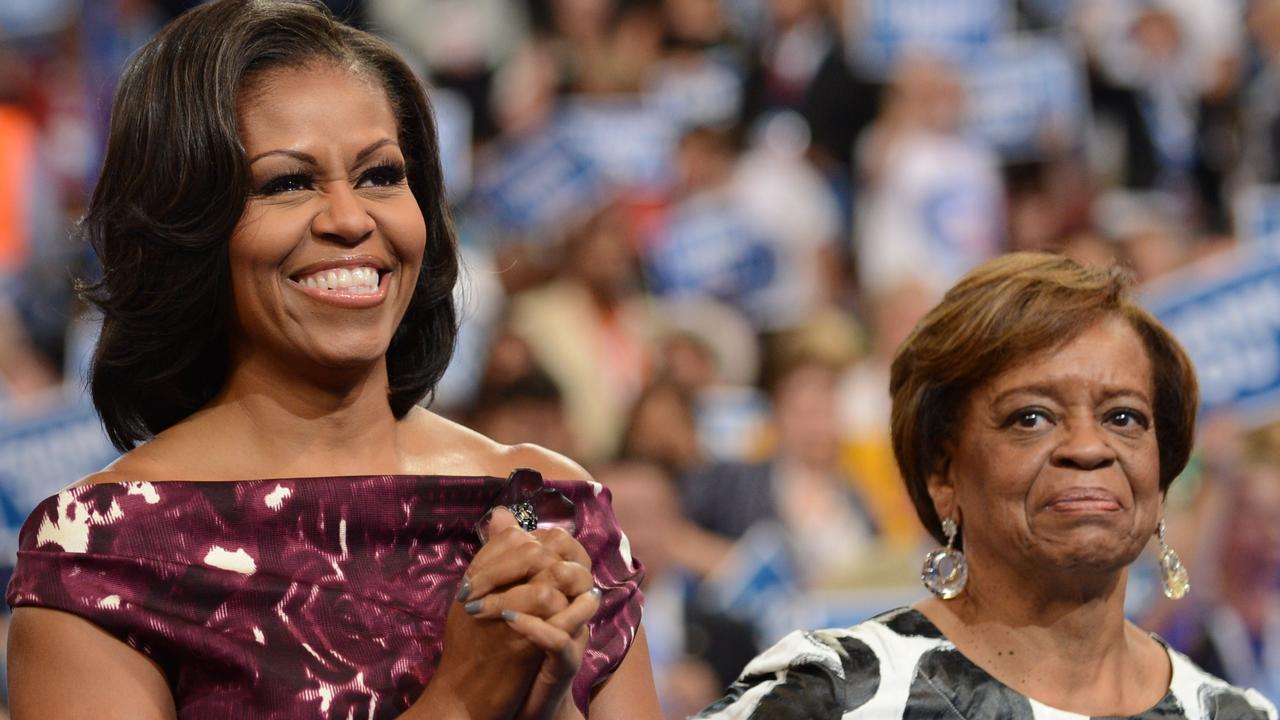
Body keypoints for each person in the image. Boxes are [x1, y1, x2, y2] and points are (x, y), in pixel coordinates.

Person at [4, 1, 660, 718]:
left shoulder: (546, 505)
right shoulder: (106, 552)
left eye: (380, 175)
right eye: (287, 183)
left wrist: (547, 702)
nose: (351, 219)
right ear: (188, 225)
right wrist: (465, 698)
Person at [694, 252, 1278, 718]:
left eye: (1123, 417)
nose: (1089, 447)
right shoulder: (843, 694)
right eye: (1031, 417)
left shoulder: (1233, 714)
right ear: (942, 474)